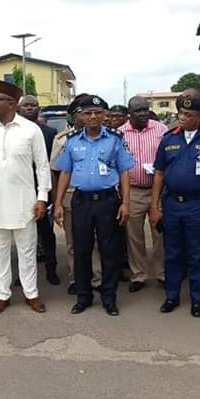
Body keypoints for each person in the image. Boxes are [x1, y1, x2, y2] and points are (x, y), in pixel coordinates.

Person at [0, 80, 51, 315]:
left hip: (25, 203)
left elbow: (42, 167)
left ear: (12, 104)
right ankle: (2, 295)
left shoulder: (30, 129)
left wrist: (42, 197)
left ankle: (31, 294)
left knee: (27, 252)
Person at [54, 95, 134, 316]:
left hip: (108, 201)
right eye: (87, 113)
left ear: (104, 115)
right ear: (80, 115)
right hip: (81, 202)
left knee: (109, 251)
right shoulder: (72, 141)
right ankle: (83, 296)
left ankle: (109, 298)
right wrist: (58, 203)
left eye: (98, 113)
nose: (93, 117)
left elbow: (124, 172)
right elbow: (65, 172)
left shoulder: (115, 139)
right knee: (81, 250)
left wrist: (125, 203)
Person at [150, 96, 200, 317]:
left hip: (197, 204)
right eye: (181, 113)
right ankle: (172, 296)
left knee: (196, 253)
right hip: (172, 203)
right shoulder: (168, 139)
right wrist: (154, 207)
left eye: (188, 115)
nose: (182, 118)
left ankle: (197, 299)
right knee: (172, 252)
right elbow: (159, 174)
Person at [49, 95, 102, 294]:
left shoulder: (105, 136)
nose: (89, 116)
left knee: (96, 241)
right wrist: (57, 202)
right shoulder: (62, 140)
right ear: (74, 116)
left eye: (92, 111)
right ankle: (75, 278)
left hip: (98, 195)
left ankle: (97, 278)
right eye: (83, 112)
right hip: (72, 195)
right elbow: (55, 172)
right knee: (73, 241)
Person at [119, 96, 167, 292]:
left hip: (158, 190)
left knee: (161, 233)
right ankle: (138, 274)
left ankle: (163, 273)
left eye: (146, 109)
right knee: (134, 236)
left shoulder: (161, 130)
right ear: (129, 113)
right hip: (133, 191)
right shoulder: (120, 133)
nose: (143, 113)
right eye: (138, 111)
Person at [18, 94, 60, 285]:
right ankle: (23, 274)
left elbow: (51, 165)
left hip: (43, 189)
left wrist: (51, 193)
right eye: (25, 105)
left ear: (38, 108)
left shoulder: (50, 132)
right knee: (22, 235)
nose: (29, 108)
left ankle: (51, 270)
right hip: (20, 190)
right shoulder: (12, 131)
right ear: (19, 108)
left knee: (46, 233)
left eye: (33, 105)